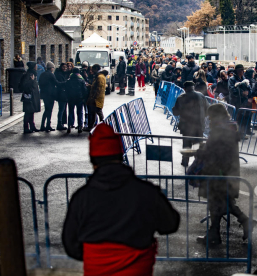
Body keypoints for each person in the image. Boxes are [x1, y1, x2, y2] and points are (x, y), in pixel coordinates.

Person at [62, 123, 180, 275]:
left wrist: (98, 257)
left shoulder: (81, 198)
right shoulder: (147, 192)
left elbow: (71, 244)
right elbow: (170, 224)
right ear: (120, 156)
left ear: (93, 162)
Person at [195, 104, 256, 245]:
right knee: (221, 202)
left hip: (220, 173)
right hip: (227, 172)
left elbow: (216, 153)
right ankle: (216, 232)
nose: (208, 119)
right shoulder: (229, 127)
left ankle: (218, 232)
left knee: (218, 202)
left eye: (210, 116)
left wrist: (200, 152)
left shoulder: (220, 130)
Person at [172, 81, 209, 166]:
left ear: (184, 88)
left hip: (186, 126)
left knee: (186, 145)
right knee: (198, 145)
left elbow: (176, 112)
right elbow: (208, 109)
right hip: (199, 125)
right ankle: (198, 163)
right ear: (193, 87)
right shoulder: (201, 96)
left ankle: (185, 162)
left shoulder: (181, 97)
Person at [39, 61, 63, 132]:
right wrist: (65, 83)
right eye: (53, 67)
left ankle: (42, 125)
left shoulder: (42, 74)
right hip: (50, 95)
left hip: (44, 94)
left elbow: (40, 83)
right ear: (51, 68)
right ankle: (47, 125)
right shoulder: (51, 74)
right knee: (49, 110)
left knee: (46, 110)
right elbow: (56, 83)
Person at [19, 62, 41, 134]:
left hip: (33, 96)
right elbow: (25, 86)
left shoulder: (33, 74)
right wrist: (31, 81)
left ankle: (32, 126)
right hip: (29, 96)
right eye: (35, 66)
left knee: (31, 112)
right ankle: (26, 128)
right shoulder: (29, 75)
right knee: (28, 112)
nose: (36, 67)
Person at [66, 68, 87, 134]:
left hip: (71, 98)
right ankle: (80, 126)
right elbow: (84, 90)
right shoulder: (81, 80)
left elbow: (67, 89)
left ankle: (69, 126)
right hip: (79, 98)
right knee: (80, 112)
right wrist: (84, 97)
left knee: (70, 112)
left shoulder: (69, 80)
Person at [86, 64, 107, 131]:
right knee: (93, 112)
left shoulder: (100, 77)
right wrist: (90, 86)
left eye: (93, 69)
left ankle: (103, 126)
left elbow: (99, 88)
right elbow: (95, 86)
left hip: (96, 99)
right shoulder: (99, 76)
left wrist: (94, 97)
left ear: (96, 69)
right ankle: (91, 126)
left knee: (98, 112)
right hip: (96, 98)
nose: (92, 71)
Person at [54, 63, 69, 130]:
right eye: (64, 67)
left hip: (63, 94)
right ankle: (59, 123)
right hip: (61, 94)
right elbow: (59, 84)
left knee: (62, 109)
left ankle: (61, 123)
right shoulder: (59, 74)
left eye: (66, 67)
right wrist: (66, 82)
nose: (65, 69)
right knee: (61, 109)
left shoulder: (62, 73)